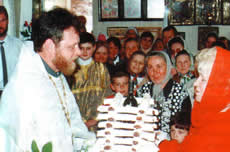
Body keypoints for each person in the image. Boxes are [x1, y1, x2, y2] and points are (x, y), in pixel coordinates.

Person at [0, 8, 95, 152]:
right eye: (72, 47)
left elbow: (72, 127)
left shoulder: (56, 72)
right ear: (50, 46)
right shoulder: (26, 88)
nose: (79, 52)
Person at [159, 47, 230, 152]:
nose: (196, 83)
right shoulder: (210, 114)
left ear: (220, 84)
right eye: (198, 77)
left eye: (203, 79)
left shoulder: (223, 128)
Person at [139, 51, 191, 136]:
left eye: (159, 66)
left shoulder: (181, 92)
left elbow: (185, 127)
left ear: (168, 67)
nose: (155, 72)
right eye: (150, 67)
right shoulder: (142, 91)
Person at [71, 32, 112, 132]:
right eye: (81, 48)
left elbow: (107, 95)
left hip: (96, 122)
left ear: (94, 48)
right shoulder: (70, 69)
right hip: (75, 122)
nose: (85, 52)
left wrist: (94, 119)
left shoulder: (101, 69)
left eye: (88, 48)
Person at [0, 6, 23, 96]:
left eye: (3, 20)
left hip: (14, 93)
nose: (0, 24)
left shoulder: (19, 46)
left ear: (8, 21)